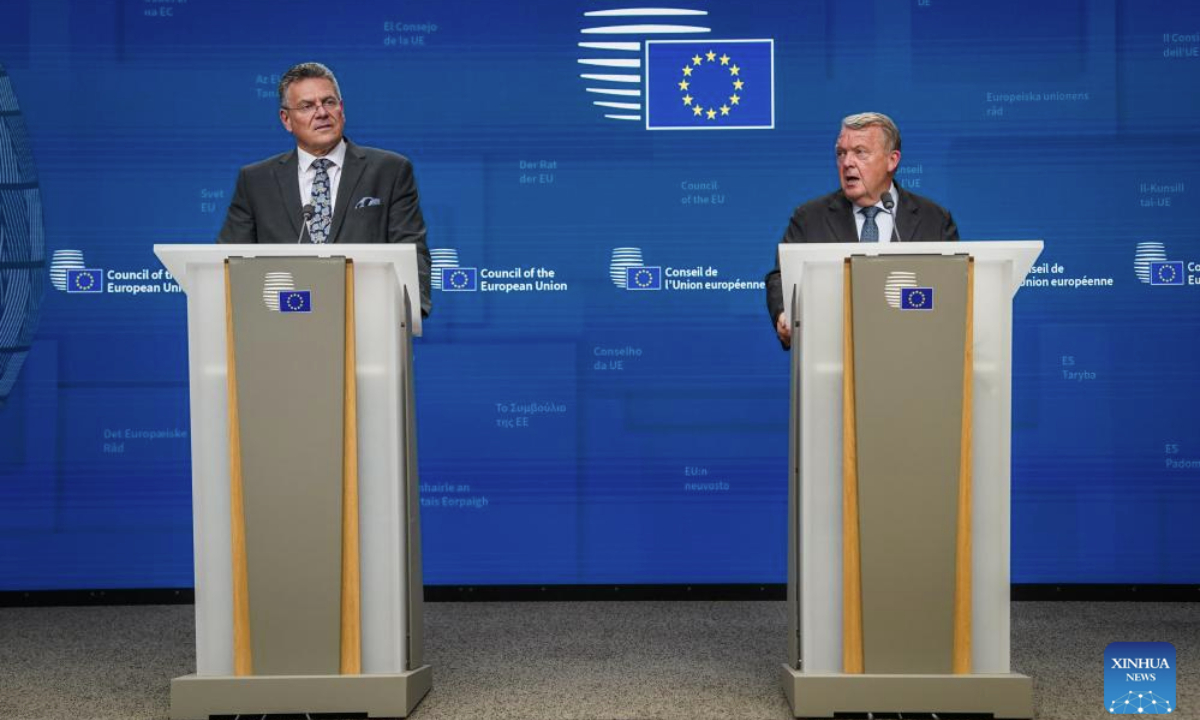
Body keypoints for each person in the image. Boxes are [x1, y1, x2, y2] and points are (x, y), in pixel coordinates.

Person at [218, 61, 432, 316]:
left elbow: (411, 249)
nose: (321, 112)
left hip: (369, 322)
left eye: (329, 102)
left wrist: (410, 312)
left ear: (342, 109)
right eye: (307, 106)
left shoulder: (390, 170)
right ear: (286, 119)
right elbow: (230, 261)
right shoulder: (255, 180)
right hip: (279, 326)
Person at [764, 112, 958, 348]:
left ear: (892, 160)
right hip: (832, 361)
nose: (847, 163)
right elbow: (781, 276)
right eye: (841, 153)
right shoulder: (809, 218)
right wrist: (783, 314)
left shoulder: (934, 220)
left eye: (860, 152)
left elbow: (952, 290)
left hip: (915, 354)